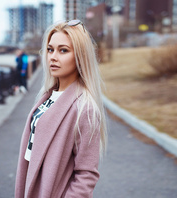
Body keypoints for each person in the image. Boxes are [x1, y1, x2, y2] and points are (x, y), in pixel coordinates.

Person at [15, 19, 107, 198]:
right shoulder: (48, 95)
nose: (53, 57)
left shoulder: (84, 108)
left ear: (80, 56)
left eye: (63, 50)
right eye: (50, 49)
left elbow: (87, 174)